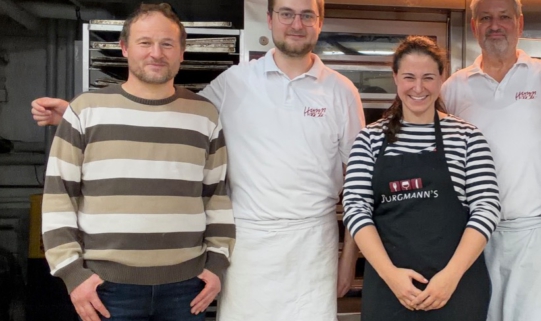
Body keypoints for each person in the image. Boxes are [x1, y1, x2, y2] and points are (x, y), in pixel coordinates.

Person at [32, 0, 365, 319]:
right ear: (269, 18)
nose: (297, 24)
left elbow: (358, 184)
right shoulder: (235, 81)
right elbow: (167, 110)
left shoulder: (341, 91)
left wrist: (348, 258)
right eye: (287, 13)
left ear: (320, 22)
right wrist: (74, 114)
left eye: (308, 15)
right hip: (248, 244)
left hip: (313, 245)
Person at [40, 4, 235, 321]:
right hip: (107, 288)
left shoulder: (205, 115)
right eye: (145, 42)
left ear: (181, 52)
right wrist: (72, 275)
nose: (156, 53)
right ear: (124, 48)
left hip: (187, 288)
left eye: (167, 43)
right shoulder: (85, 111)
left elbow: (217, 198)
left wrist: (216, 266)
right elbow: (59, 198)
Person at [343, 36, 500, 321]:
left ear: (442, 78)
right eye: (409, 77)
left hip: (458, 288)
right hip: (390, 289)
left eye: (428, 77)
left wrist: (450, 277)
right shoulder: (369, 139)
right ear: (395, 78)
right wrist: (391, 276)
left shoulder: (467, 137)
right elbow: (355, 208)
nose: (418, 88)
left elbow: (487, 209)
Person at [440, 0, 541, 320]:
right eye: (485, 18)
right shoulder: (453, 88)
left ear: (519, 23)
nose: (495, 25)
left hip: (539, 232)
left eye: (504, 17)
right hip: (473, 237)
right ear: (474, 27)